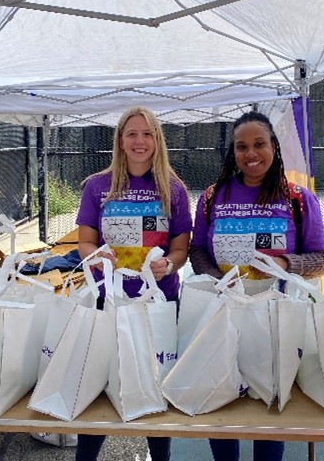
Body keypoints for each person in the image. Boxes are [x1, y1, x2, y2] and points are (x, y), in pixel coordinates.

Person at [189, 110, 324, 461]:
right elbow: (197, 250)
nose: (251, 154)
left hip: (275, 319)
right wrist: (216, 278)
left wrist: (286, 264)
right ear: (233, 153)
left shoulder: (297, 199)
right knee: (222, 397)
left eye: (259, 144)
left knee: (269, 404)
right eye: (241, 147)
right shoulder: (212, 197)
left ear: (274, 146)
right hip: (224, 314)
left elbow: (322, 259)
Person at [74, 106, 192, 461]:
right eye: (131, 134)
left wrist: (168, 265)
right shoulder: (97, 187)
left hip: (157, 305)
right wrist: (95, 257)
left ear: (157, 140)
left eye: (147, 134)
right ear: (120, 141)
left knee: (155, 386)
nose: (139, 141)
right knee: (97, 385)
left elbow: (181, 249)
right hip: (107, 302)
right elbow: (85, 242)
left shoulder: (174, 189)